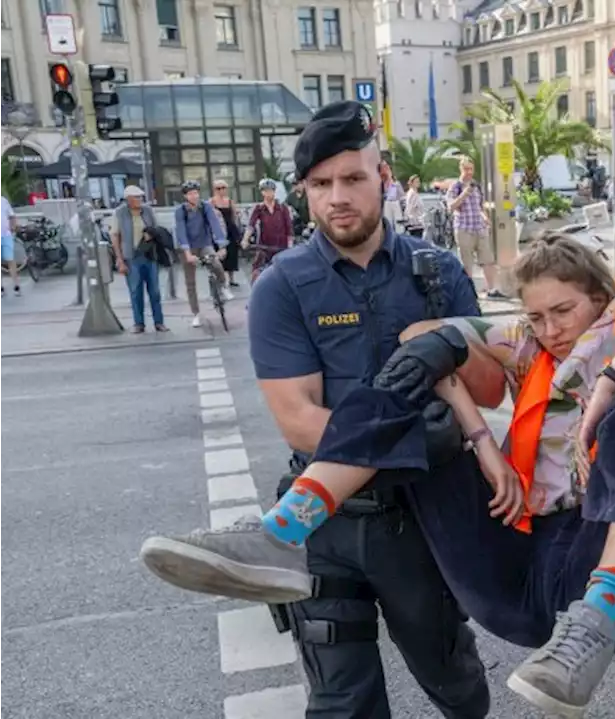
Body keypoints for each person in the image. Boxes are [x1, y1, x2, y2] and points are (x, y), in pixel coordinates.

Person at [142, 229, 615, 718]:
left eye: (564, 311)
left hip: (603, 560)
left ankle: (598, 618)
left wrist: (611, 384)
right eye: (536, 316)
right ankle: (286, 530)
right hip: (517, 570)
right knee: (423, 371)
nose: (550, 330)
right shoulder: (524, 346)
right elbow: (419, 338)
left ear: (599, 296)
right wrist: (480, 441)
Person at [139, 101, 491, 719]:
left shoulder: (436, 271)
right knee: (341, 704)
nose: (338, 198)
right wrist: (419, 438)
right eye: (321, 184)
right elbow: (298, 419)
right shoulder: (283, 285)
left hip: (427, 520)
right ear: (303, 192)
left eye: (353, 178)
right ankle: (274, 537)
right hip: (329, 525)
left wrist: (450, 334)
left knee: (457, 685)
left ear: (381, 178)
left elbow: (489, 392)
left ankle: (271, 534)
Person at [172, 180, 231, 328]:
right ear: (185, 196)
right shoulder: (181, 211)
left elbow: (214, 225)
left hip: (204, 243)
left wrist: (222, 246)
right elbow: (181, 232)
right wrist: (187, 253)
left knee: (216, 263)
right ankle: (196, 314)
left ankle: (223, 285)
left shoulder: (205, 207)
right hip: (188, 247)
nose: (194, 196)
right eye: (191, 193)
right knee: (190, 282)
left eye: (196, 193)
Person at [110, 185, 168, 333]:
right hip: (131, 256)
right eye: (136, 197)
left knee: (154, 291)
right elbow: (115, 235)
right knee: (135, 291)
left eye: (141, 197)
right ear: (128, 199)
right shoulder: (120, 213)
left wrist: (151, 234)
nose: (139, 200)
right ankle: (139, 323)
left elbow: (157, 229)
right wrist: (119, 259)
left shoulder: (147, 211)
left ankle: (159, 322)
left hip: (149, 255)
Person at [447, 157, 503, 298]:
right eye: (466, 169)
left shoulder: (476, 186)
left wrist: (485, 217)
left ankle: (492, 289)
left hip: (479, 227)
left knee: (488, 260)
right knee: (467, 262)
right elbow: (451, 207)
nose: (469, 172)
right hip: (464, 229)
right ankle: (470, 292)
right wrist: (464, 194)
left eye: (471, 169)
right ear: (461, 169)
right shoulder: (456, 186)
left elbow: (479, 206)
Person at [243, 179, 293, 283]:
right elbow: (251, 225)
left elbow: (289, 228)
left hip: (281, 246)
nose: (269, 193)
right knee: (257, 270)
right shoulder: (259, 208)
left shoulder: (283, 208)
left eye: (271, 190)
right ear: (262, 192)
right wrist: (245, 239)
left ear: (274, 191)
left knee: (285, 272)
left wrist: (290, 245)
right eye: (266, 191)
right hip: (265, 246)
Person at [210, 180, 243, 288]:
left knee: (232, 254)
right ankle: (221, 279)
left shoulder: (229, 201)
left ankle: (231, 279)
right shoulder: (211, 202)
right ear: (214, 190)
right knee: (219, 256)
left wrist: (237, 228)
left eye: (223, 188)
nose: (221, 190)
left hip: (230, 230)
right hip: (218, 231)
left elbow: (234, 215)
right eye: (218, 188)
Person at [0, 191, 16, 297]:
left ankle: (16, 286)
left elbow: (12, 215)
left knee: (10, 260)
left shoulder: (3, 201)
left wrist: (13, 227)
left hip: (6, 235)